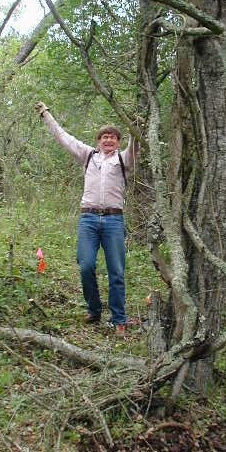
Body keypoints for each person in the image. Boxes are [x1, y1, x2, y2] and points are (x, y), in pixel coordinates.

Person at [34, 101, 140, 335]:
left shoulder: (124, 160)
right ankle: (94, 309)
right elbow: (64, 138)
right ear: (98, 141)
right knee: (86, 265)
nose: (108, 140)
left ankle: (118, 318)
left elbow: (137, 143)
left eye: (113, 137)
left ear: (118, 141)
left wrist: (136, 124)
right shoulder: (88, 156)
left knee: (116, 271)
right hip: (88, 220)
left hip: (114, 221)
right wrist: (46, 114)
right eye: (104, 137)